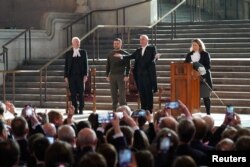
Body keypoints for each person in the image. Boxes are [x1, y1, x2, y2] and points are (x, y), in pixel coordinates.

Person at [115, 34, 160, 113]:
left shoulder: (152, 48)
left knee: (148, 93)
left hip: (148, 76)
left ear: (147, 40)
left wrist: (156, 58)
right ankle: (143, 110)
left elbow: (154, 58)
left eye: (143, 39)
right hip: (139, 76)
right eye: (140, 40)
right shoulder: (138, 50)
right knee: (142, 93)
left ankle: (149, 110)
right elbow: (131, 56)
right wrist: (122, 56)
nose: (141, 41)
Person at [184, 38, 213, 115]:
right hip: (193, 79)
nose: (194, 46)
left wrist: (200, 72)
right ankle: (195, 114)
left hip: (204, 79)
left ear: (200, 46)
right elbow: (185, 66)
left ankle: (208, 114)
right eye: (193, 45)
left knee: (206, 97)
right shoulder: (189, 55)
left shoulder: (205, 54)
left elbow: (208, 66)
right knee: (195, 98)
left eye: (196, 45)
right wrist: (191, 71)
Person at [64, 37, 89, 114]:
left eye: (78, 42)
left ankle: (81, 108)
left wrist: (85, 75)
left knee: (81, 93)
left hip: (80, 76)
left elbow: (86, 64)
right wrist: (65, 76)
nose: (78, 44)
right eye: (76, 42)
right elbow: (66, 65)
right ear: (72, 44)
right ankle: (75, 109)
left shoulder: (83, 52)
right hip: (71, 76)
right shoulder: (68, 53)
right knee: (73, 93)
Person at [106, 38, 130, 111]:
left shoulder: (125, 53)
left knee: (122, 94)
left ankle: (123, 109)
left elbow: (128, 66)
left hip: (121, 76)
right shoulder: (110, 54)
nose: (116, 44)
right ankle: (114, 109)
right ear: (113, 44)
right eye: (115, 43)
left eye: (117, 43)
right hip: (112, 76)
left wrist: (127, 75)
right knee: (113, 93)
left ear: (120, 44)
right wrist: (107, 75)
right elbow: (108, 65)